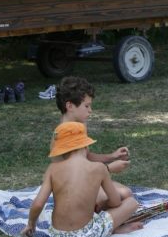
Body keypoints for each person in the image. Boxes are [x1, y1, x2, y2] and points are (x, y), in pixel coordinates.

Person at [21, 122, 143, 237]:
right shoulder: (99, 168)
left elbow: (38, 204)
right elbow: (116, 202)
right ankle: (114, 228)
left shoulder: (53, 168)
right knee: (131, 202)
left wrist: (31, 224)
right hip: (85, 234)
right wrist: (104, 205)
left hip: (57, 235)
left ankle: (110, 228)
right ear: (86, 145)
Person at [56, 76, 132, 207]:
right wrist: (108, 169)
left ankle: (107, 218)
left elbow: (86, 156)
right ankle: (109, 224)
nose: (90, 110)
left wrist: (112, 156)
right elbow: (76, 173)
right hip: (71, 190)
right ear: (70, 106)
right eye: (87, 106)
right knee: (118, 195)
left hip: (84, 182)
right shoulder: (65, 133)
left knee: (125, 192)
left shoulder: (79, 124)